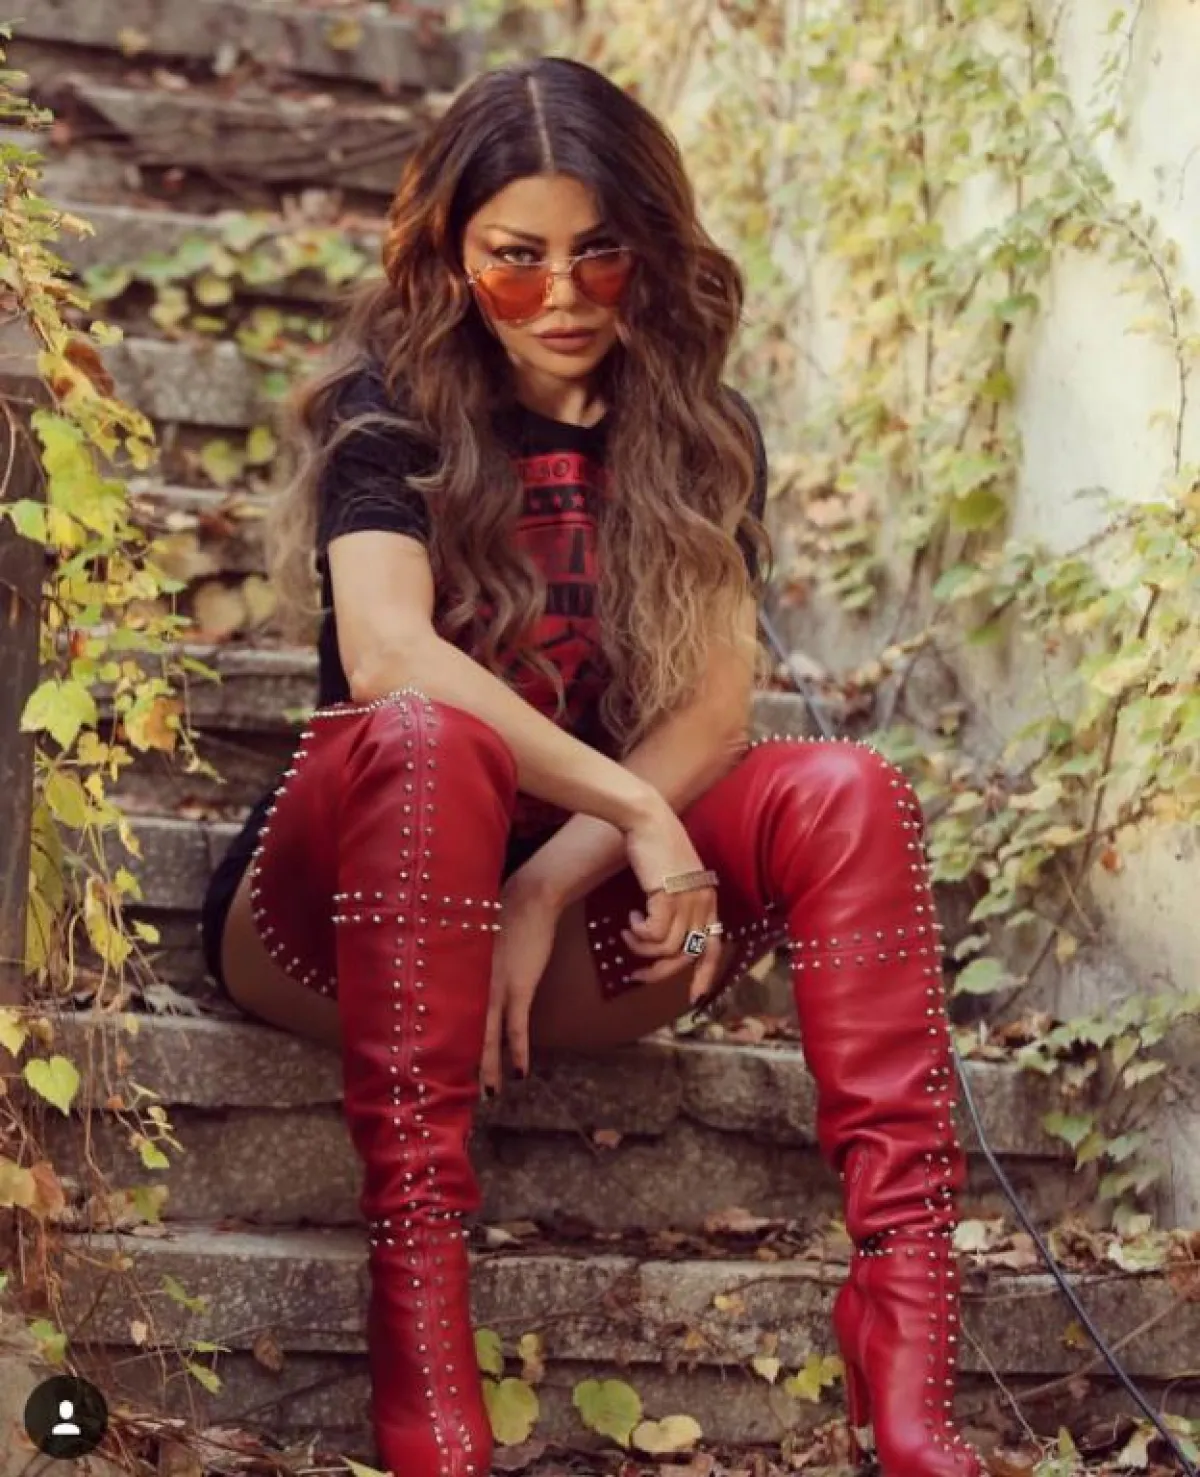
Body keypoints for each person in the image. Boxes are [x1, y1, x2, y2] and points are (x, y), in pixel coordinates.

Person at [199, 54, 982, 1477]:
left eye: (598, 254)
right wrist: (626, 805)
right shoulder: (386, 406)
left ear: (650, 252)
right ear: (452, 257)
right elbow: (387, 652)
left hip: (568, 944)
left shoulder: (700, 429)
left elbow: (715, 713)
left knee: (849, 789)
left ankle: (907, 1332)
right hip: (342, 928)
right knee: (427, 732)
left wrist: (552, 882)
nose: (560, 295)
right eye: (515, 259)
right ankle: (421, 1340)